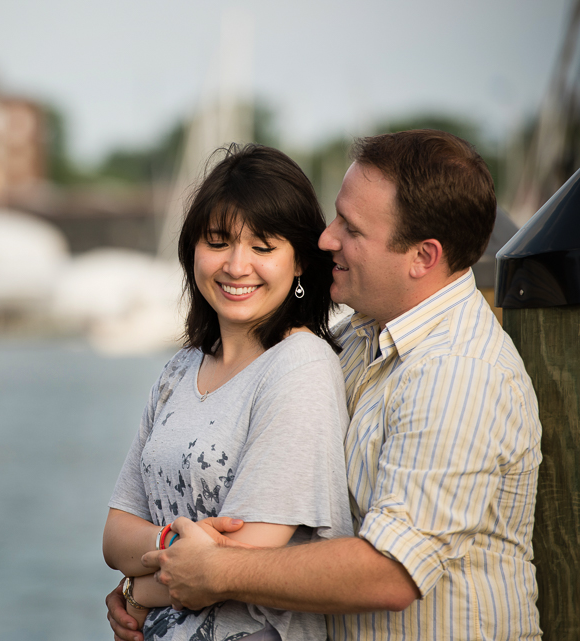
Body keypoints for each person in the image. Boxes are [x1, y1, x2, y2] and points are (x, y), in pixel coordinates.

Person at [106, 129, 543, 641]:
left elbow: (392, 571)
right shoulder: (356, 338)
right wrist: (154, 583)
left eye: (351, 229)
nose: (326, 238)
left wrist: (196, 575)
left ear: (423, 257)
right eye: (336, 216)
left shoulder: (460, 373)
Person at [103, 143, 353, 641]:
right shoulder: (179, 371)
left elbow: (243, 563)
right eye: (218, 242)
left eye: (263, 247)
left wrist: (136, 588)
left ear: (300, 262)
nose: (237, 266)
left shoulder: (298, 367)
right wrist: (175, 543)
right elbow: (114, 536)